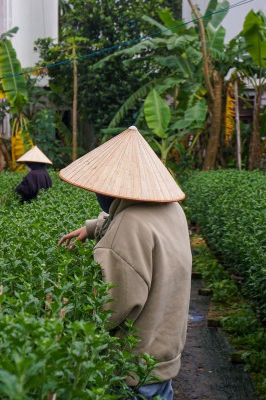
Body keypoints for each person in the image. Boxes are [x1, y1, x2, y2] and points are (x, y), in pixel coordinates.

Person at [57, 127, 191, 400]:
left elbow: (107, 309)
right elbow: (131, 217)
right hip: (161, 361)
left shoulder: (126, 232)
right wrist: (94, 227)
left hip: (130, 373)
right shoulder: (171, 209)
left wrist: (63, 322)